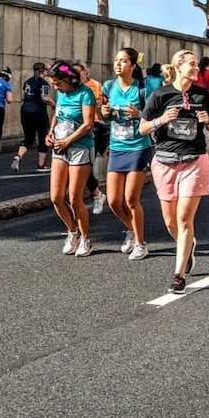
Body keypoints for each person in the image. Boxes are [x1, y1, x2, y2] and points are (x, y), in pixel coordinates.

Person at [140, 50, 209, 294]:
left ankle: (178, 274)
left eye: (197, 65)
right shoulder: (160, 94)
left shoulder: (203, 94)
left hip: (194, 160)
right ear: (178, 66)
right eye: (192, 65)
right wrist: (161, 120)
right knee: (170, 221)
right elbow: (143, 128)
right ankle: (188, 245)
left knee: (185, 218)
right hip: (164, 161)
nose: (197, 69)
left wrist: (208, 120)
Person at [100, 48, 153, 261]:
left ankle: (141, 243)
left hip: (138, 146)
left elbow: (151, 118)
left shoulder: (142, 89)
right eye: (116, 60)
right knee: (113, 201)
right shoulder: (109, 86)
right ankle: (131, 230)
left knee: (131, 198)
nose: (118, 64)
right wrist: (104, 113)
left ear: (133, 66)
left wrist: (139, 114)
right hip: (117, 146)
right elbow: (105, 114)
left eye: (123, 61)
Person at [45, 60, 97, 257]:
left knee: (75, 198)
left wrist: (68, 141)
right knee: (56, 197)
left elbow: (88, 124)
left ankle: (86, 238)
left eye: (58, 83)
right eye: (54, 84)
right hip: (60, 146)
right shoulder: (61, 94)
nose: (56, 87)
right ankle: (72, 232)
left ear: (68, 79)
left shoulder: (85, 93)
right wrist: (51, 132)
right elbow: (57, 115)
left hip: (80, 148)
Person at [73, 59, 107, 215]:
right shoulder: (69, 87)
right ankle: (94, 196)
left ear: (85, 71)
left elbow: (104, 105)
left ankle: (96, 195)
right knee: (79, 168)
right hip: (73, 129)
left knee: (86, 166)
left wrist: (101, 106)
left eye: (78, 71)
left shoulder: (96, 85)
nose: (75, 74)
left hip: (94, 126)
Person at [12, 62, 54, 173]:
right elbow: (45, 98)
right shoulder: (44, 83)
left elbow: (22, 97)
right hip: (38, 111)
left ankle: (18, 156)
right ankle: (41, 165)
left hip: (25, 110)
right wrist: (54, 104)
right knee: (43, 137)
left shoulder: (27, 82)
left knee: (29, 138)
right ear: (42, 71)